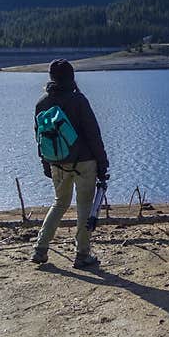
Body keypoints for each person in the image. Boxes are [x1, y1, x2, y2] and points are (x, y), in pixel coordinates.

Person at [31, 59, 109, 269]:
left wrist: (45, 163)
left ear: (51, 78)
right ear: (71, 77)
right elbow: (93, 135)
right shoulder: (78, 100)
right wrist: (102, 164)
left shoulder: (42, 103)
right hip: (84, 163)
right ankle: (82, 254)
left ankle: (40, 248)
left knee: (59, 203)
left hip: (57, 162)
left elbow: (38, 137)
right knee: (84, 206)